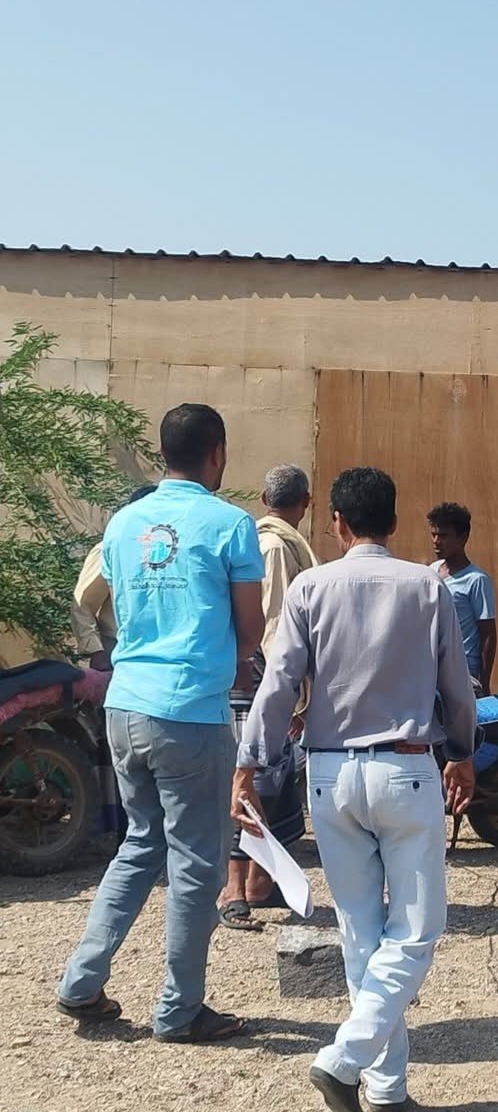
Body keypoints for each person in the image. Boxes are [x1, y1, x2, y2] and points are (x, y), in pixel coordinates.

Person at [236, 467, 477, 1112]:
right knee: (417, 930)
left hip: (330, 774)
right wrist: (462, 753)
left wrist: (249, 762)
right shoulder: (428, 587)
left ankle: (384, 1088)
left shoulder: (311, 587)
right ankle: (346, 1062)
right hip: (406, 768)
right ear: (394, 523)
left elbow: (279, 683)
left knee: (360, 933)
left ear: (337, 523)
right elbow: (457, 689)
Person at [55, 403, 265, 1043]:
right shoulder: (231, 524)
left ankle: (81, 982)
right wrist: (228, 656)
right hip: (189, 712)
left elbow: (108, 605)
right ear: (217, 453)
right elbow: (251, 629)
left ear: (163, 453)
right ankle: (180, 1010)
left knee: (141, 844)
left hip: (126, 705)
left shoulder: (123, 524)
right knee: (198, 863)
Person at [218, 464, 320, 932]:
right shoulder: (277, 547)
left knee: (273, 781)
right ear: (306, 503)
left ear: (264, 499)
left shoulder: (258, 539)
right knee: (254, 781)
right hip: (261, 680)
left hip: (252, 676)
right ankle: (235, 888)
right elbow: (276, 624)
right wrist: (292, 694)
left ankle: (260, 883)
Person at [70, 483, 160, 671]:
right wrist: (96, 651)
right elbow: (83, 603)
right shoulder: (110, 549)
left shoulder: (170, 552)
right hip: (119, 648)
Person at [427, 502, 497, 693]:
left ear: (463, 537)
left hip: (463, 674)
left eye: (443, 536)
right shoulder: (431, 572)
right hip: (433, 670)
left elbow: (488, 634)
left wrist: (484, 683)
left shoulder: (476, 580)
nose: (436, 541)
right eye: (434, 535)